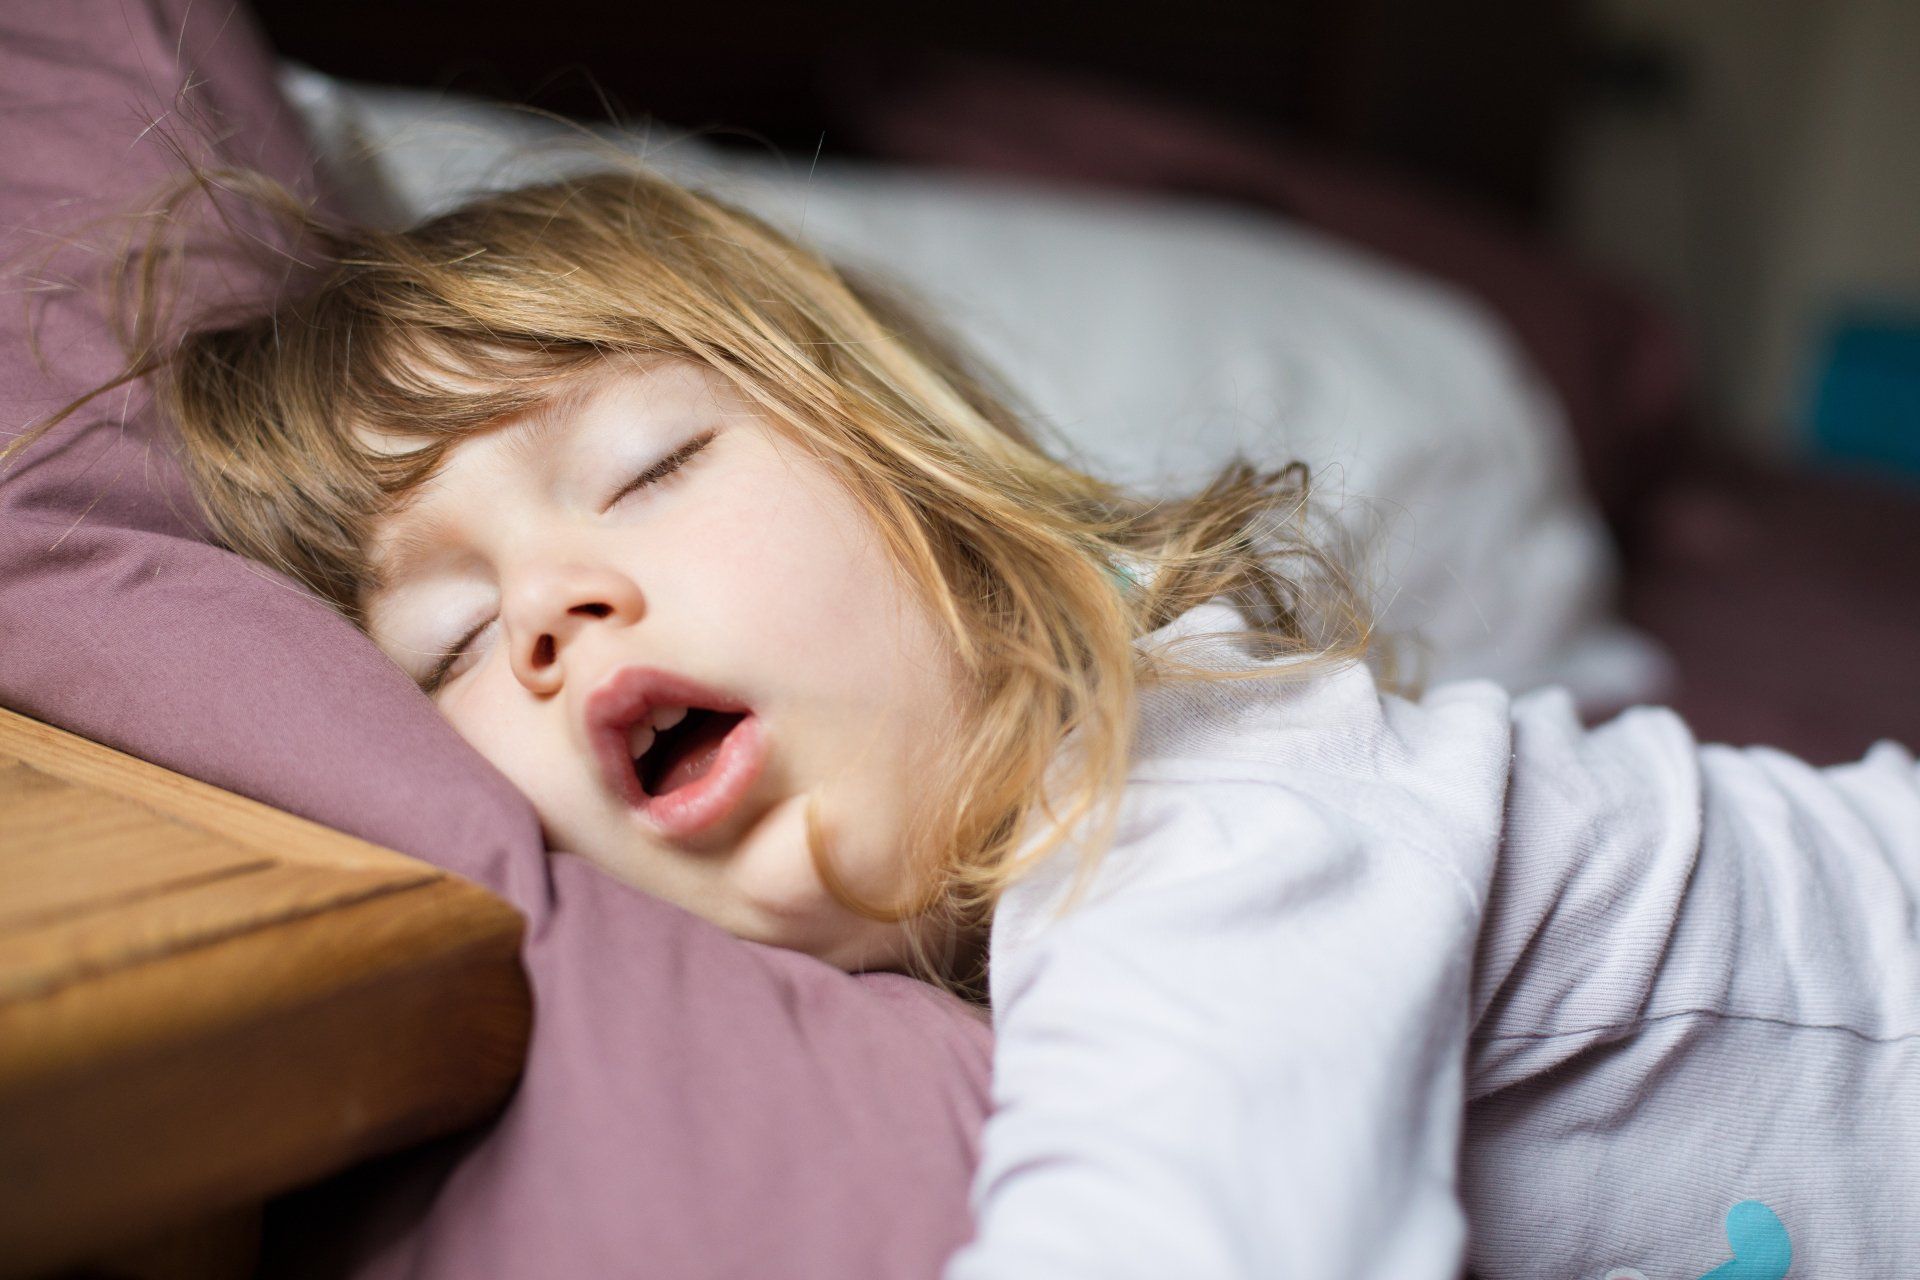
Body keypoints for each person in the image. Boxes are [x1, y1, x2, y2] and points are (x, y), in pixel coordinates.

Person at [12, 161, 1917, 1278]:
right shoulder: (930, 962)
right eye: (442, 647)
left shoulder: (1196, 806)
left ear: (929, 500)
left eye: (653, 466)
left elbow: (1186, 1221)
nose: (552, 609)